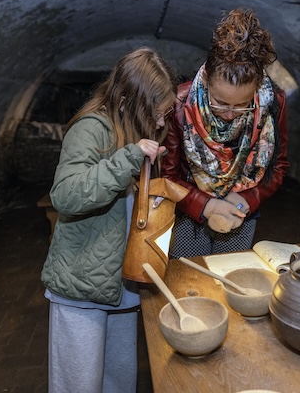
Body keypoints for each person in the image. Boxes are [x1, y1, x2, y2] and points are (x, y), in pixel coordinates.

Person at [40, 47, 177, 393]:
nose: (161, 124)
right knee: (79, 385)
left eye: (165, 115)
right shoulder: (91, 129)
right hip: (83, 286)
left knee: (119, 381)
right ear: (132, 102)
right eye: (157, 114)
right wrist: (128, 159)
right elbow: (66, 195)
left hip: (121, 285)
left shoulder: (133, 133)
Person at [161, 8, 289, 258]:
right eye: (220, 102)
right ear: (206, 79)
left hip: (241, 207)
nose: (230, 114)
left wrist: (246, 199)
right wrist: (205, 204)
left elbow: (279, 165)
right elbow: (168, 175)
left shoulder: (274, 102)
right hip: (189, 209)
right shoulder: (179, 104)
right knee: (190, 276)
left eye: (242, 105)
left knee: (231, 274)